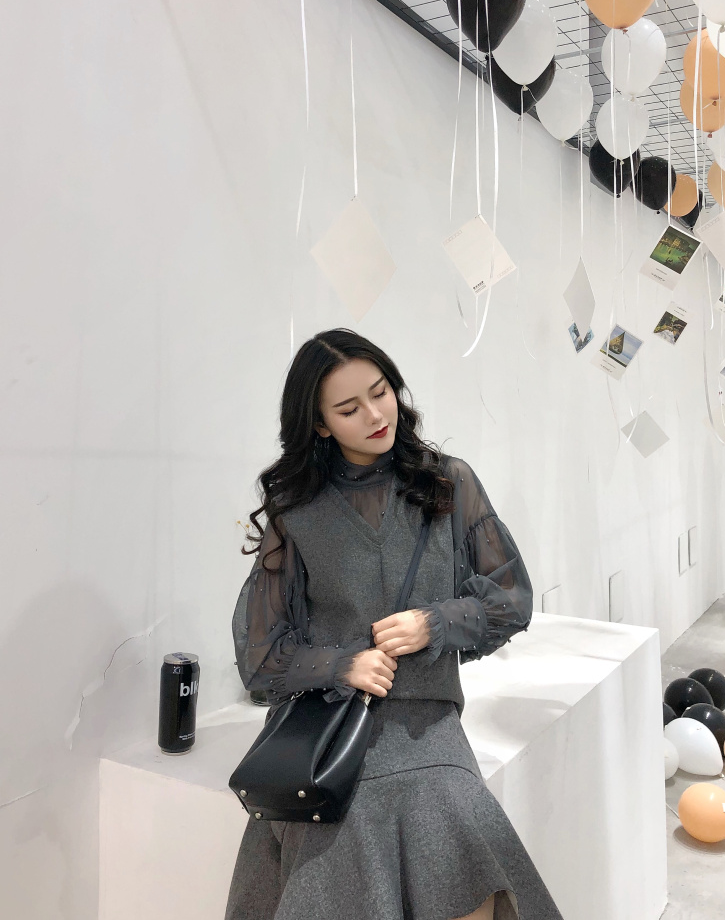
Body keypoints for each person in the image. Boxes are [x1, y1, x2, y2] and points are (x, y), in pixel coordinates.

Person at [225, 328, 564, 920]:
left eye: (380, 392)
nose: (376, 415)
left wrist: (437, 622)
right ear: (320, 424)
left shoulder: (448, 482)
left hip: (428, 721)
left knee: (463, 836)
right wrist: (341, 665)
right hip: (333, 730)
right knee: (337, 845)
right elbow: (258, 655)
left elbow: (512, 598)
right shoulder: (296, 512)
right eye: (348, 408)